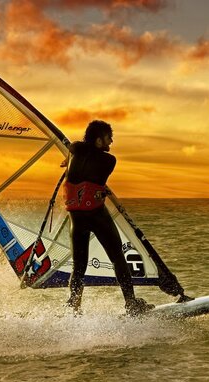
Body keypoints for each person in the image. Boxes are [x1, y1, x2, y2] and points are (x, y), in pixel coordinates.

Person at [62, 120, 154, 316]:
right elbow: (93, 167)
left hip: (76, 218)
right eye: (108, 138)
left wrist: (69, 160)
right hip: (95, 214)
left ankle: (74, 307)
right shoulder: (108, 161)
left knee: (79, 265)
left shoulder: (75, 150)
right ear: (98, 141)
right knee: (117, 258)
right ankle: (131, 303)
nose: (111, 142)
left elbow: (75, 147)